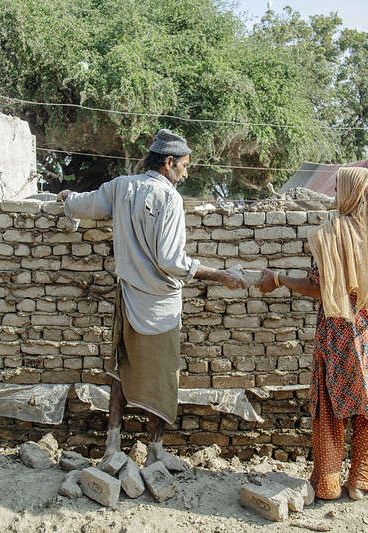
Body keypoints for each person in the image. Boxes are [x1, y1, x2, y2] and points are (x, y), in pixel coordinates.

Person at [57, 128, 248, 470]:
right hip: (160, 305)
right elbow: (171, 261)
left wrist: (68, 199)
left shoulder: (121, 186)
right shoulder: (169, 199)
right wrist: (219, 274)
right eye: (185, 166)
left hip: (128, 298)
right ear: (168, 163)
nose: (187, 173)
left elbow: (88, 205)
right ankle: (155, 451)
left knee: (120, 370)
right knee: (161, 377)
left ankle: (112, 446)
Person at [256, 166, 368, 501]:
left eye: (339, 189)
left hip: (339, 337)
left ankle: (328, 484)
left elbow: (318, 288)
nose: (335, 195)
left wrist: (278, 278)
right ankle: (362, 480)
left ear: (350, 193)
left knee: (331, 409)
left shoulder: (329, 234)